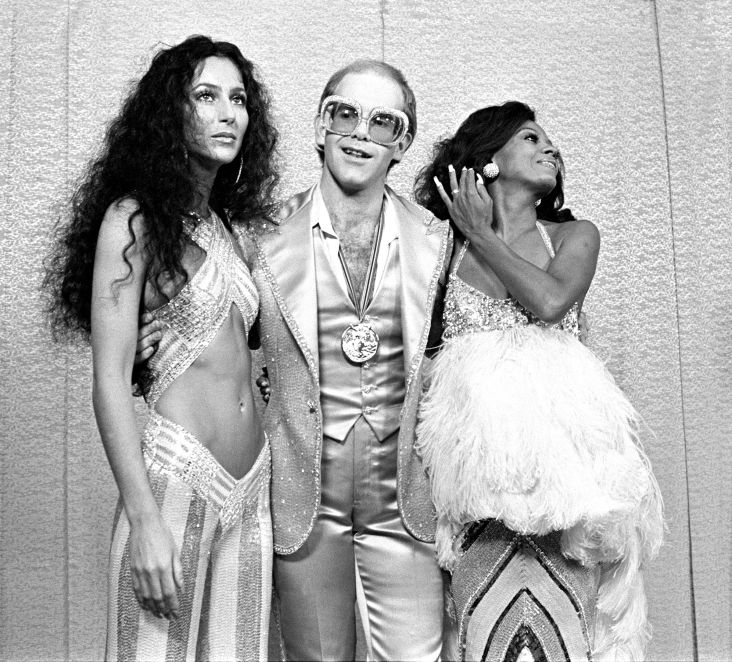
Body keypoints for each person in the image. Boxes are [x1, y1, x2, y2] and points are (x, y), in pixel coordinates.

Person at [43, 35, 278, 660]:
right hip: (177, 481)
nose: (228, 113)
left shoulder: (228, 227)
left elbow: (233, 352)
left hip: (253, 490)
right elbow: (109, 380)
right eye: (206, 96)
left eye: (238, 98)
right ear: (170, 112)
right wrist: (144, 519)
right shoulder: (134, 219)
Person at [414, 101, 663, 661]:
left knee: (564, 641)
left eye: (550, 141)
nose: (550, 147)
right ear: (489, 161)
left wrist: (483, 235)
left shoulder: (576, 235)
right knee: (481, 639)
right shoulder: (438, 253)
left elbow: (550, 303)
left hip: (568, 496)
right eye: (531, 137)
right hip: (474, 497)